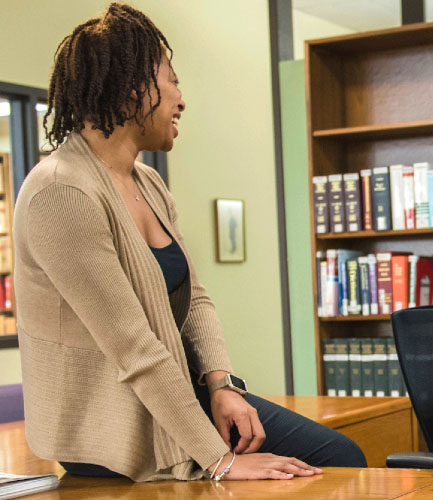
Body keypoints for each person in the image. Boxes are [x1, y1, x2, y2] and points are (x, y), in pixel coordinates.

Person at [13, 3, 365, 482]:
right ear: (133, 87)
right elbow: (134, 346)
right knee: (300, 473)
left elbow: (194, 298)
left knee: (339, 457)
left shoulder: (149, 183)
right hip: (108, 423)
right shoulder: (61, 191)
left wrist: (222, 385)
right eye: (173, 81)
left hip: (172, 394)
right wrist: (219, 461)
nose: (182, 99)